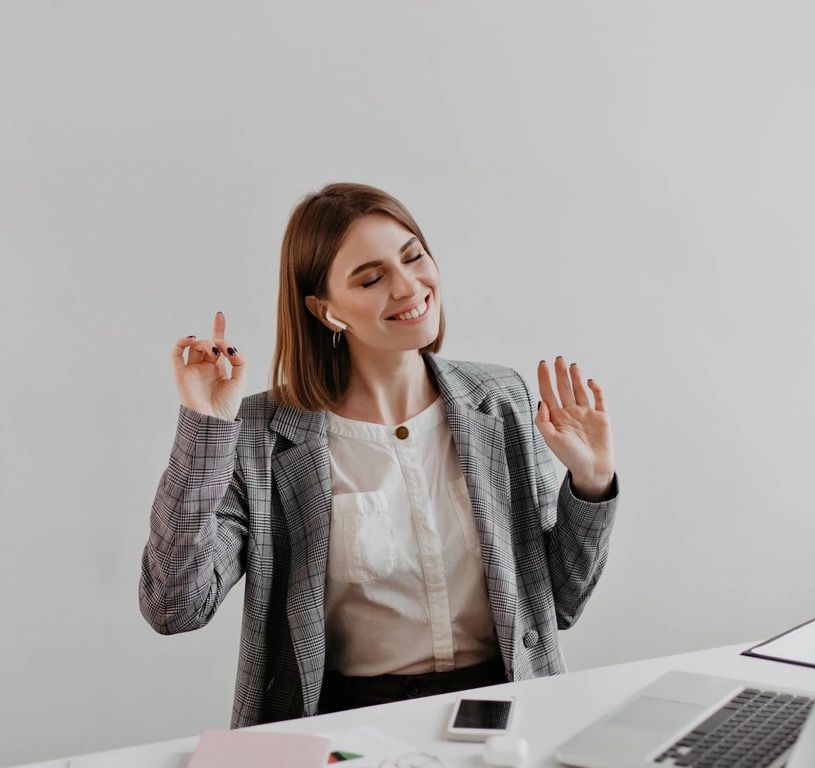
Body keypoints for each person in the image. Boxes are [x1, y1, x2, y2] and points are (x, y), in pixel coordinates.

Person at [140, 182, 619, 728]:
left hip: (506, 709)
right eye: (371, 278)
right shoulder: (261, 435)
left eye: (414, 257)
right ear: (326, 311)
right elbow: (173, 606)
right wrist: (207, 428)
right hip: (346, 725)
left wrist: (591, 481)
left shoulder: (499, 399)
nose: (408, 286)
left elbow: (559, 603)